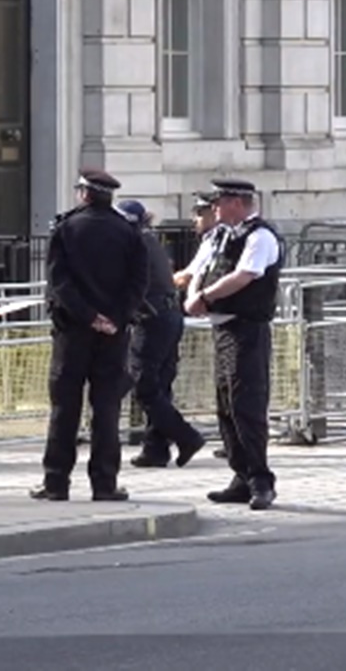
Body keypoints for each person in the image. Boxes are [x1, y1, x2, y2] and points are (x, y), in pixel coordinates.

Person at [31, 170, 149, 502]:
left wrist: (88, 317)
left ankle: (56, 482)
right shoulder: (129, 232)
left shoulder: (67, 228)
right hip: (114, 333)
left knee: (65, 408)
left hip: (73, 331)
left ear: (84, 194)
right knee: (107, 408)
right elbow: (139, 282)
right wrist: (115, 318)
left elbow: (60, 282)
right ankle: (105, 484)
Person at [185, 178, 284, 511]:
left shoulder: (260, 236)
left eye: (220, 201)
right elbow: (201, 269)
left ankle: (260, 480)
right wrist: (194, 296)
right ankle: (241, 476)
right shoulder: (222, 234)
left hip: (247, 330)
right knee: (226, 406)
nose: (214, 207)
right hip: (223, 328)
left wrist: (205, 297)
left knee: (247, 407)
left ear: (239, 202)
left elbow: (245, 276)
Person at [116, 200, 206, 469]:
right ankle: (155, 448)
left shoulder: (134, 244)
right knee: (160, 384)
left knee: (145, 386)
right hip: (168, 315)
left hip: (152, 319)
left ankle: (186, 436)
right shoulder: (148, 239)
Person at [174, 192, 230, 460]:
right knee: (221, 384)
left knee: (229, 384)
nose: (194, 219)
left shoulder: (219, 239)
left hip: (215, 317)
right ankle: (231, 441)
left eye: (199, 213)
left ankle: (235, 443)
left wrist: (163, 281)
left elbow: (189, 275)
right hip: (206, 316)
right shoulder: (212, 239)